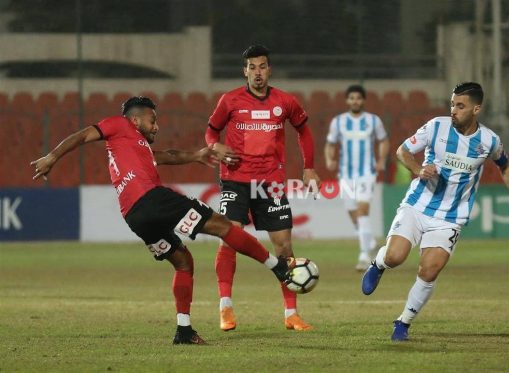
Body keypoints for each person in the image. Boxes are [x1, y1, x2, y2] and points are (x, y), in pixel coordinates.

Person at [30, 96, 290, 345]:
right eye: (152, 120)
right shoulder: (119, 125)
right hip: (152, 199)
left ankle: (184, 329)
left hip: (135, 217)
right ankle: (275, 266)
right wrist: (52, 156)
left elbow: (167, 155)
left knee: (183, 262)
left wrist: (197, 155)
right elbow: (84, 134)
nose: (157, 125)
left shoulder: (134, 145)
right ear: (134, 120)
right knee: (223, 226)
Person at [361, 82, 509, 341]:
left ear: (476, 109)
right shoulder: (437, 126)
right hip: (418, 205)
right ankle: (379, 263)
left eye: (460, 106)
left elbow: (506, 166)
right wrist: (418, 169)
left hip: (451, 217)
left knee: (430, 270)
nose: (453, 110)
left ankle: (403, 322)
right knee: (395, 258)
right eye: (452, 104)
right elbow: (402, 151)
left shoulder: (489, 140)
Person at [205, 45, 321, 331]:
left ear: (270, 70)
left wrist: (309, 167)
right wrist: (213, 145)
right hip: (235, 179)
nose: (257, 72)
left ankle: (291, 314)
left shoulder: (286, 101)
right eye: (252, 67)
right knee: (229, 237)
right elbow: (212, 130)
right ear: (244, 71)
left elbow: (304, 130)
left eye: (262, 66)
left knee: (284, 245)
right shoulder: (230, 100)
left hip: (271, 183)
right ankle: (225, 308)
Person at [324, 85, 390, 271]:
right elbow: (330, 143)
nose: (355, 101)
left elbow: (384, 140)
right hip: (346, 174)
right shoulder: (338, 122)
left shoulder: (373, 121)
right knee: (353, 214)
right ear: (347, 100)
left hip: (366, 173)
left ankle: (364, 255)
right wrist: (330, 158)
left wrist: (381, 160)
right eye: (352, 98)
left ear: (363, 100)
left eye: (358, 98)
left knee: (362, 211)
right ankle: (369, 243)